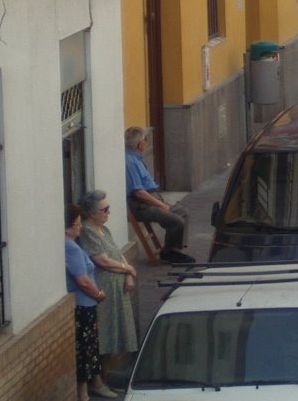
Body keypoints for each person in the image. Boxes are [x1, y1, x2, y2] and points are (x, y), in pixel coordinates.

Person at [78, 191, 138, 373]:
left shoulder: (104, 230)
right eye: (104, 209)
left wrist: (128, 274)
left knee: (116, 335)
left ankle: (107, 378)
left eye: (108, 208)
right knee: (105, 336)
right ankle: (100, 380)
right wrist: (128, 269)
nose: (108, 212)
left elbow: (117, 254)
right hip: (105, 292)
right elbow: (102, 261)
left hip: (118, 291)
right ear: (90, 213)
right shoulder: (87, 232)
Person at [124, 127, 193, 264]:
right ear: (140, 144)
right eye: (145, 140)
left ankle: (174, 249)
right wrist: (162, 205)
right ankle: (169, 253)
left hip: (151, 198)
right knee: (176, 220)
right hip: (141, 205)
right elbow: (139, 193)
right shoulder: (130, 162)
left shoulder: (136, 157)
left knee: (183, 212)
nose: (146, 142)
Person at [65, 204, 110, 401]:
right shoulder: (71, 248)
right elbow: (82, 280)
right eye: (76, 224)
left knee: (88, 348)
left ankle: (88, 389)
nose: (80, 227)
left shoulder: (72, 246)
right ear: (67, 228)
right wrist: (99, 294)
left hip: (86, 304)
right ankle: (84, 394)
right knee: (85, 349)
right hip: (84, 305)